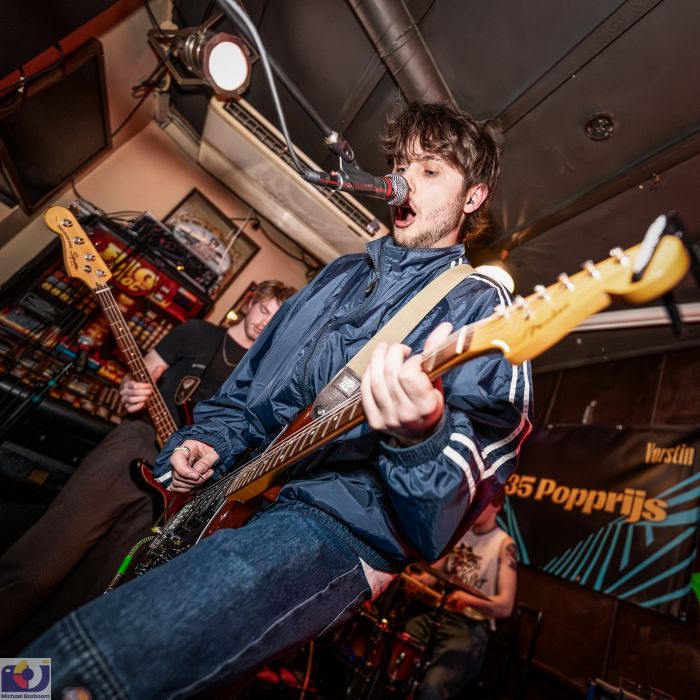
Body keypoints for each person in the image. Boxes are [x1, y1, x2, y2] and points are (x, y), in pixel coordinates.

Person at [24, 101, 532, 699]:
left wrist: (422, 437)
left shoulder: (480, 310)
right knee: (86, 616)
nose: (402, 180)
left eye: (429, 171)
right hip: (240, 491)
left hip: (336, 527)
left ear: (472, 198)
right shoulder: (338, 276)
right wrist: (207, 440)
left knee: (82, 658)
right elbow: (248, 393)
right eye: (401, 163)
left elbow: (453, 501)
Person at [0, 280, 294, 653]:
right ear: (251, 303)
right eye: (263, 310)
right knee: (41, 563)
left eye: (274, 320)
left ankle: (21, 683)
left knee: (93, 593)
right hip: (136, 446)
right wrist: (129, 390)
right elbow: (139, 377)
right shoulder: (197, 333)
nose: (262, 323)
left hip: (179, 488)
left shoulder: (262, 375)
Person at [402, 490, 517, 699]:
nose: (476, 507)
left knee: (432, 688)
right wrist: (420, 582)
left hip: (470, 627)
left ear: (497, 507)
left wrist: (468, 599)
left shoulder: (504, 544)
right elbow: (435, 573)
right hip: (442, 616)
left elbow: (506, 606)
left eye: (483, 503)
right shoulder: (463, 532)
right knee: (403, 639)